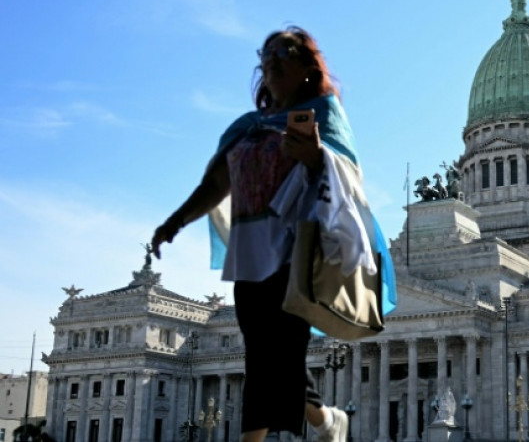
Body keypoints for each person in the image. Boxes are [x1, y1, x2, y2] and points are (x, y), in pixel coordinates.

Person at [150, 27, 382, 442]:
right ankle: (325, 419)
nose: (273, 59)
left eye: (286, 51)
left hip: (300, 250)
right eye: (267, 52)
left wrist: (314, 154)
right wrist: (175, 222)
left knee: (269, 358)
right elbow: (215, 185)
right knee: (274, 358)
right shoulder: (245, 127)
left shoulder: (324, 114)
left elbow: (347, 176)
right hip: (250, 254)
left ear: (308, 67)